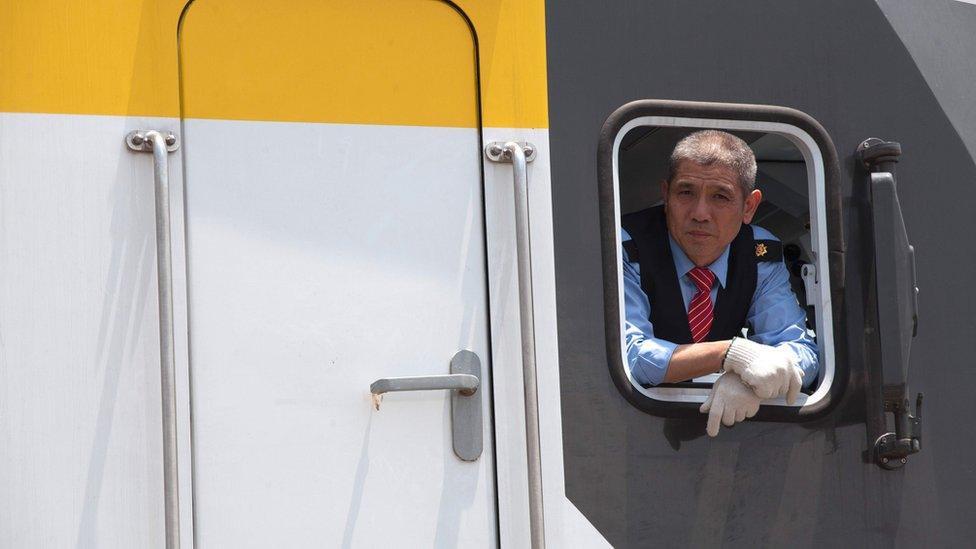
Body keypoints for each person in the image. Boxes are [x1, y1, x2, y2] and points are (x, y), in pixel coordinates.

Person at [620, 130, 818, 437]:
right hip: (631, 425)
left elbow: (800, 348)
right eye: (685, 193)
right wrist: (731, 355)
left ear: (749, 207)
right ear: (666, 194)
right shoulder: (626, 245)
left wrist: (753, 379)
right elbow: (631, 356)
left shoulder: (758, 253)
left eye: (720, 196)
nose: (700, 214)